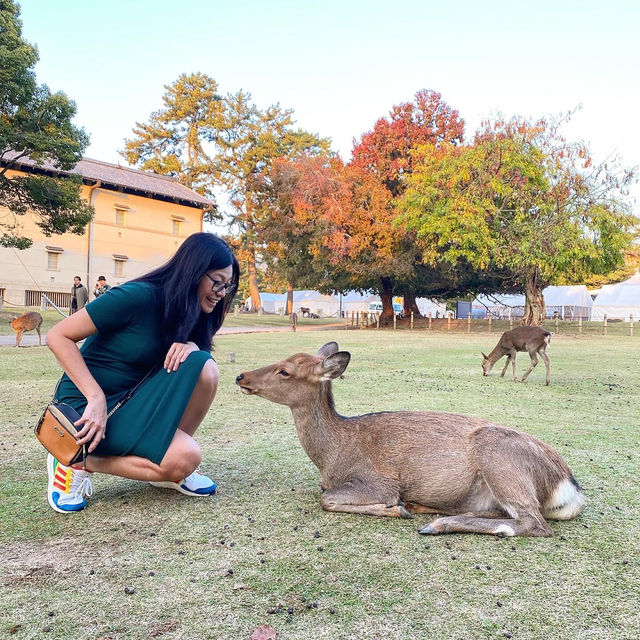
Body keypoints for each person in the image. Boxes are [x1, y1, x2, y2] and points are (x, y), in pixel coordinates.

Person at [45, 233, 240, 513]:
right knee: (187, 454)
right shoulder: (136, 296)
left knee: (205, 368)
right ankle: (71, 458)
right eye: (217, 282)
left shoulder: (193, 311)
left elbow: (196, 361)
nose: (222, 293)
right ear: (194, 273)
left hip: (133, 403)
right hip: (86, 406)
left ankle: (104, 460)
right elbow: (58, 336)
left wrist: (193, 345)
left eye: (228, 285)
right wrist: (95, 397)